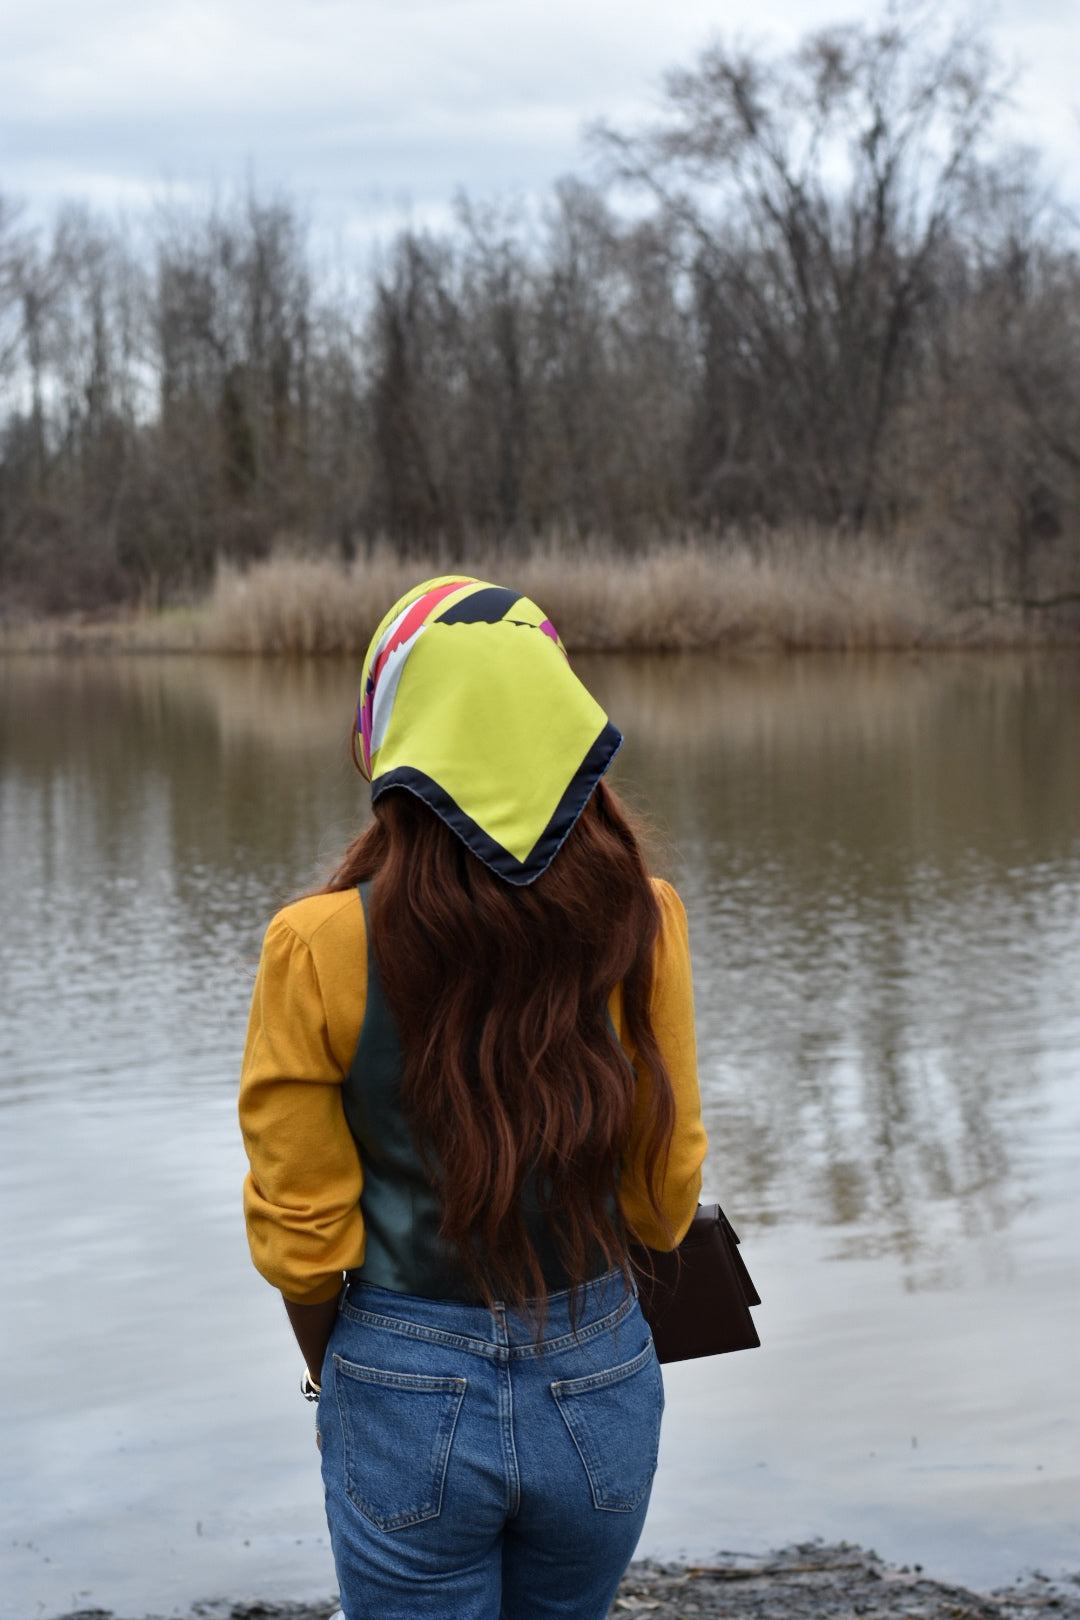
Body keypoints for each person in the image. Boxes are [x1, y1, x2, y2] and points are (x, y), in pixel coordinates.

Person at [239, 576, 708, 1620]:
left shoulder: (315, 946)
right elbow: (666, 1200)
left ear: (392, 736)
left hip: (400, 1380)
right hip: (599, 1378)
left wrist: (355, 1373)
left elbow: (302, 1231)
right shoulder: (647, 919)